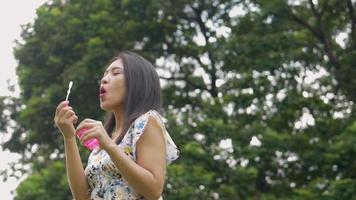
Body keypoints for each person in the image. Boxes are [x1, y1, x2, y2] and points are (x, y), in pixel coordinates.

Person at [54, 51, 179, 200]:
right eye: (105, 74)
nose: (104, 79)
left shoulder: (146, 122)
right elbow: (82, 196)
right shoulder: (105, 142)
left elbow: (153, 190)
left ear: (137, 82)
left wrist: (108, 145)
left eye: (115, 73)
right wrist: (69, 137)